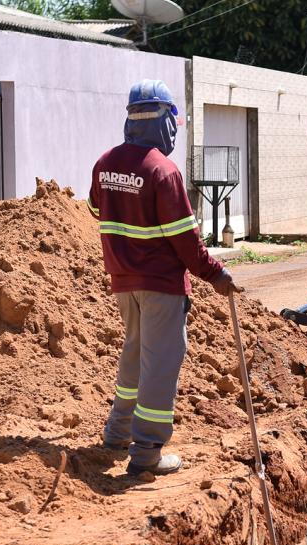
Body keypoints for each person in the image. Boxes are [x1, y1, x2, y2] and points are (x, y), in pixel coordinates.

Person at [89, 79, 241, 477]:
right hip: (160, 285)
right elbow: (186, 243)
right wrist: (217, 274)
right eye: (174, 118)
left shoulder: (105, 163)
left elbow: (94, 205)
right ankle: (146, 453)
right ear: (164, 120)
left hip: (124, 281)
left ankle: (118, 432)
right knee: (160, 364)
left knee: (136, 355)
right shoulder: (163, 171)